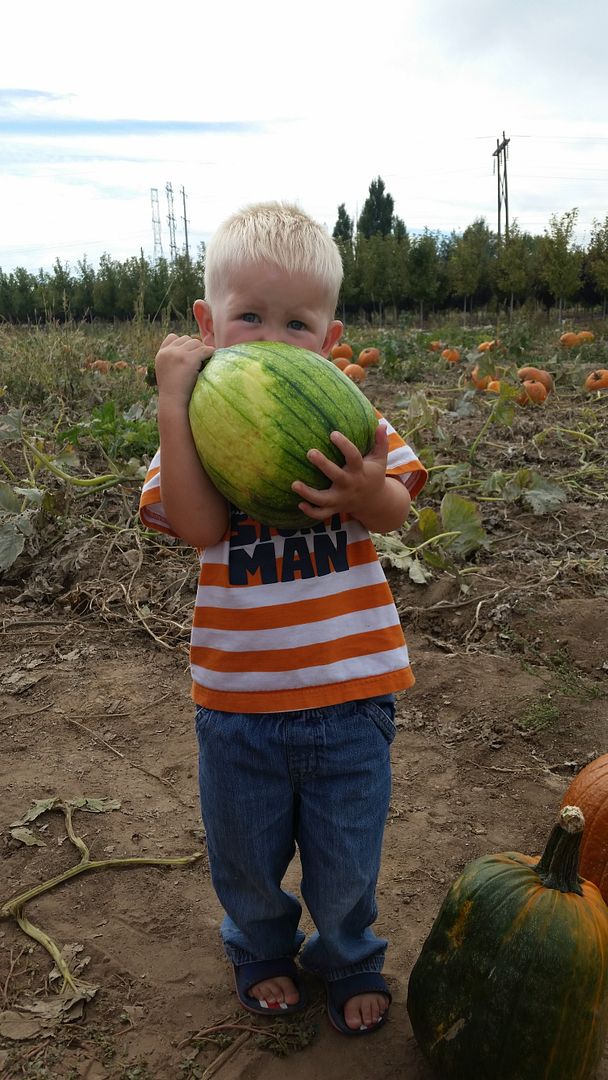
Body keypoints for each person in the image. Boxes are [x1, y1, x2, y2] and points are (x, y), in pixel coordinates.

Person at [139, 202, 427, 1035]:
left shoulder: (348, 415)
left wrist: (365, 491)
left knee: (346, 859)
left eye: (297, 323)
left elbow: (398, 508)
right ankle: (260, 945)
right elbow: (196, 528)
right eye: (249, 318)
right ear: (207, 325)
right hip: (237, 710)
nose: (271, 338)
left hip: (352, 698)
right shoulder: (195, 431)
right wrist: (174, 397)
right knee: (246, 856)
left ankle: (347, 953)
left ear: (332, 339)